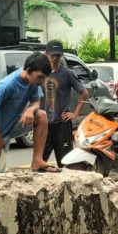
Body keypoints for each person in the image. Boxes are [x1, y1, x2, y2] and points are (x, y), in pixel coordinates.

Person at [0, 53, 55, 173]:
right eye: (40, 77)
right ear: (28, 70)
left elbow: (36, 102)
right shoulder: (8, 85)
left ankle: (37, 160)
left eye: (44, 78)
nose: (42, 81)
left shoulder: (33, 82)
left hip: (13, 124)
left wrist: (30, 109)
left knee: (41, 116)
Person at [42, 40, 89, 168]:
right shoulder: (41, 73)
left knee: (66, 163)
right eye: (52, 55)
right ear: (46, 54)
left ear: (61, 56)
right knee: (39, 162)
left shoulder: (67, 73)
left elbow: (84, 93)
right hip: (44, 125)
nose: (54, 58)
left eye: (57, 55)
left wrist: (75, 113)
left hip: (62, 125)